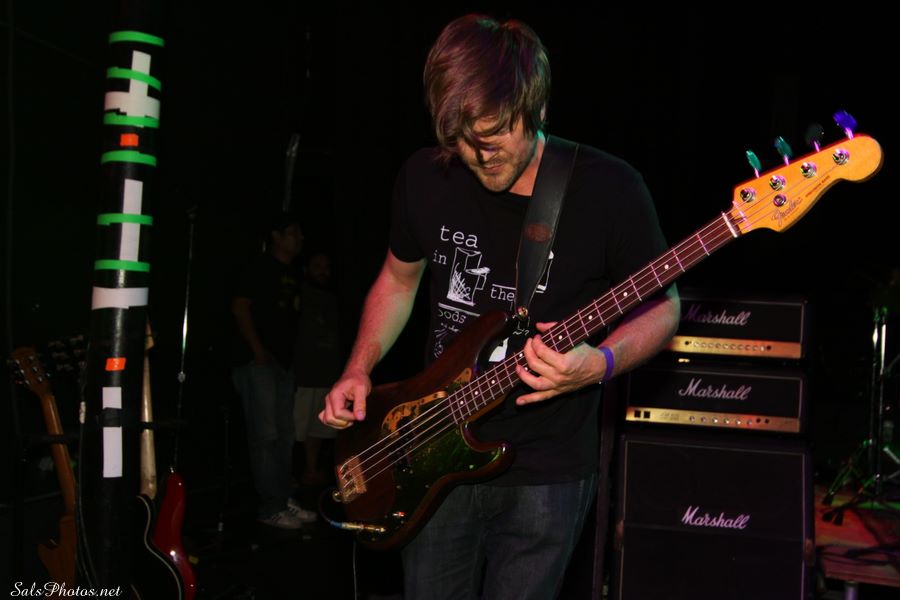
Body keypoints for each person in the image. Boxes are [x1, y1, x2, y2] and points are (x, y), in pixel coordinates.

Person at [320, 14, 680, 599]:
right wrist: (359, 367)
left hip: (549, 467)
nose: (479, 154)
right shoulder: (424, 176)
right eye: (462, 140)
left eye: (494, 134)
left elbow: (662, 306)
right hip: (429, 448)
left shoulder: (609, 188)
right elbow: (397, 279)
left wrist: (601, 363)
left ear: (536, 106)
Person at [231, 211, 317, 529]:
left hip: (283, 364)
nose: (300, 238)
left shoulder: (293, 273)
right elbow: (240, 307)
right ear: (277, 236)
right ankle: (270, 508)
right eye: (293, 232)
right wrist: (257, 350)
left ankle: (282, 500)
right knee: (266, 435)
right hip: (258, 363)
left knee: (285, 435)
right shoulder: (258, 266)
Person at [293, 251, 341, 485]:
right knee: (294, 429)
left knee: (318, 429)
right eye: (317, 265)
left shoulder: (333, 300)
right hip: (302, 375)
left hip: (327, 375)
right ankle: (289, 477)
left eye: (326, 266)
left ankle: (311, 471)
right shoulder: (299, 294)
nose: (323, 271)